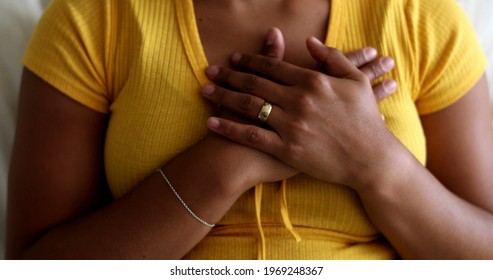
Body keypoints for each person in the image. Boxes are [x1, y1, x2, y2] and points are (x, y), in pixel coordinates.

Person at [5, 0, 493, 259]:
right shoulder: (91, 20)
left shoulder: (421, 16)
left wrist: (373, 159)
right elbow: (35, 266)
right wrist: (231, 161)